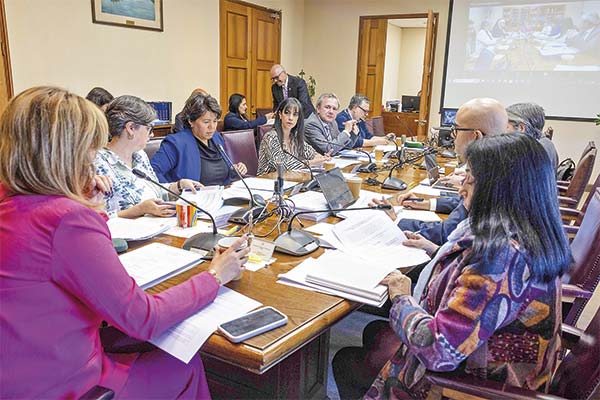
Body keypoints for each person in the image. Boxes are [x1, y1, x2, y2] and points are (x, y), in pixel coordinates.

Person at [0, 86, 250, 399]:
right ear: (68, 152)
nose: (94, 155)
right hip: (64, 383)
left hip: (18, 371)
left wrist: (87, 204)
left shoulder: (12, 201)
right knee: (185, 365)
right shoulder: (66, 220)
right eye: (90, 146)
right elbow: (145, 317)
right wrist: (216, 276)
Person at [334, 133, 572, 399]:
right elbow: (481, 292)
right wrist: (437, 252)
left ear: (499, 187)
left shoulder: (500, 256)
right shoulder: (527, 232)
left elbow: (438, 349)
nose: (461, 189)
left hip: (469, 385)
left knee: (348, 363)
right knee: (373, 335)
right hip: (501, 369)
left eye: (470, 178)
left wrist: (401, 296)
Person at [387, 98, 509, 245]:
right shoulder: (502, 166)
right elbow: (461, 202)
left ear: (476, 136)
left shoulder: (487, 179)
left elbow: (445, 233)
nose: (452, 135)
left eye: (456, 129)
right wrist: (426, 203)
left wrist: (396, 220)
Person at [94, 95, 203, 218]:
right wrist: (139, 210)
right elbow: (98, 218)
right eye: (149, 128)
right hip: (126, 235)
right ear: (130, 128)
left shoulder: (140, 155)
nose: (152, 134)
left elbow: (157, 193)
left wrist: (179, 185)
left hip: (159, 228)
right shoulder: (97, 163)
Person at [151, 92, 247, 185]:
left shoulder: (216, 137)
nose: (212, 127)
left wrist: (234, 169)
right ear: (191, 121)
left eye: (215, 121)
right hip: (193, 199)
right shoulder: (176, 143)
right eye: (206, 122)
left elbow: (224, 172)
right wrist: (174, 188)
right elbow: (152, 172)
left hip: (222, 195)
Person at [257, 97, 330, 175]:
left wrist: (321, 158)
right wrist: (310, 163)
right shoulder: (270, 137)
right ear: (280, 115)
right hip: (268, 182)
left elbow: (312, 153)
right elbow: (282, 166)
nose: (291, 118)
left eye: (295, 114)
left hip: (291, 179)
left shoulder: (294, 137)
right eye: (287, 113)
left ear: (298, 118)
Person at [506, 102, 559, 170]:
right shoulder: (545, 143)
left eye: (506, 126)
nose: (502, 130)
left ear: (521, 128)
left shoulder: (530, 155)